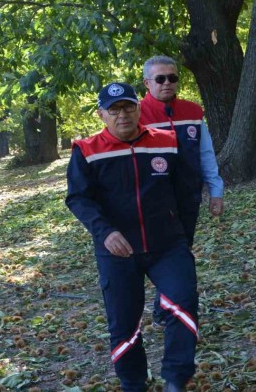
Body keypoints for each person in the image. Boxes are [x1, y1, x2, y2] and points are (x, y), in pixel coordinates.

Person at [66, 82, 200, 392]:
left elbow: (187, 192)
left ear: (139, 109)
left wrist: (183, 236)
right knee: (124, 323)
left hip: (167, 246)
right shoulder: (86, 150)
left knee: (183, 302)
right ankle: (133, 382)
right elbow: (78, 198)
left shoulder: (168, 142)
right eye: (113, 110)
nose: (122, 115)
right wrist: (105, 232)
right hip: (117, 251)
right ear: (101, 114)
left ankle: (176, 378)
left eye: (128, 107)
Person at [138, 55, 224, 327]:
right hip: (153, 200)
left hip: (188, 196)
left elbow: (206, 153)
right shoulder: (135, 114)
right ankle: (167, 309)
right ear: (147, 82)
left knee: (181, 249)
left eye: (172, 78)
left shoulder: (193, 112)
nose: (167, 83)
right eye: (160, 78)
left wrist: (216, 189)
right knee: (164, 252)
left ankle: (167, 308)